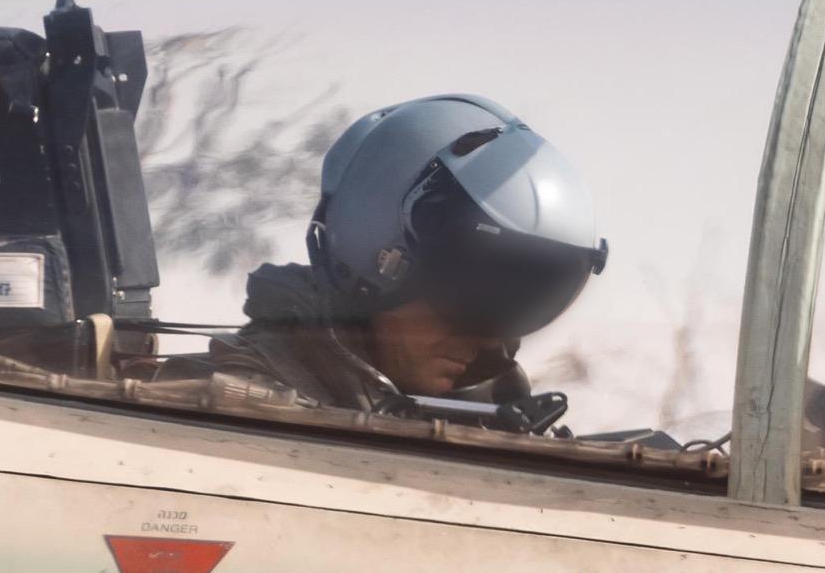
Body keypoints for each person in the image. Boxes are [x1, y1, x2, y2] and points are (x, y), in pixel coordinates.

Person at [199, 96, 609, 428]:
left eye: (514, 306)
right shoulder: (209, 419)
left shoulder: (502, 431)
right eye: (472, 299)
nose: (485, 340)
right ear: (378, 257)